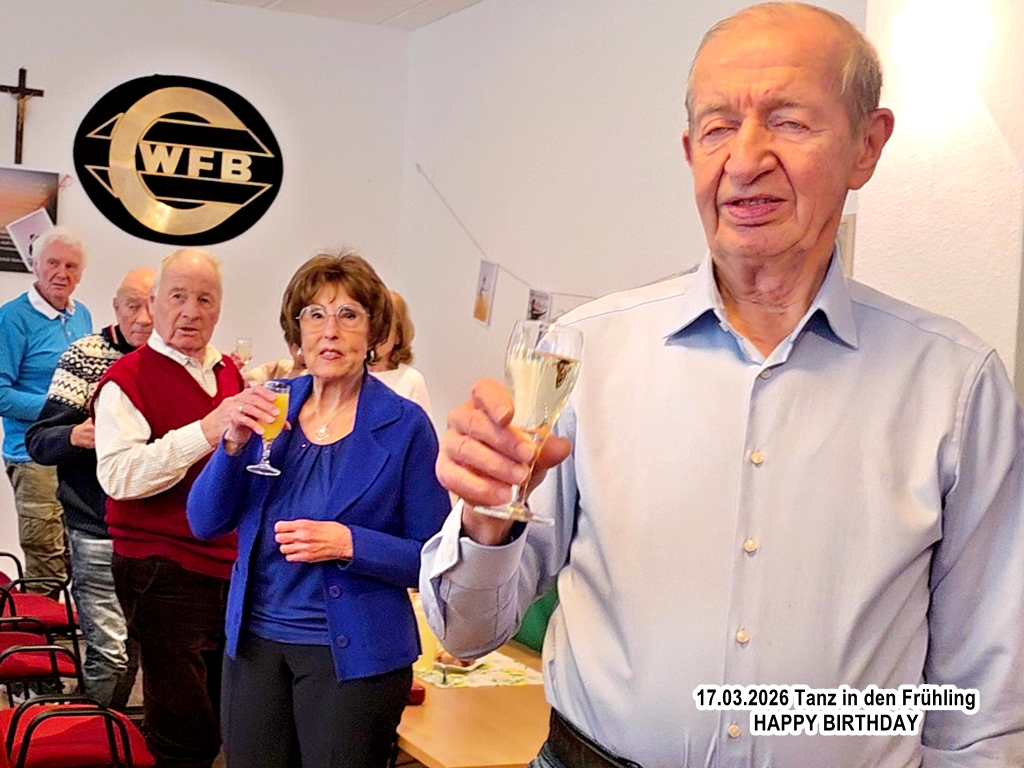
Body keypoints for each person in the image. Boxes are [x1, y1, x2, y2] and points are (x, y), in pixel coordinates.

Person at [420, 4, 1024, 768]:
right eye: (717, 128)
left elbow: (981, 703)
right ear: (690, 152)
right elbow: (467, 634)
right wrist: (483, 524)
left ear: (867, 146)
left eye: (789, 121)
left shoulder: (957, 387)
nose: (744, 159)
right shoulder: (584, 353)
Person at [187, 251, 449, 768]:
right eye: (315, 314)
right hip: (254, 647)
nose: (330, 330)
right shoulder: (269, 405)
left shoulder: (404, 425)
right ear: (298, 332)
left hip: (354, 660)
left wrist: (350, 543)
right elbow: (205, 521)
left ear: (374, 332)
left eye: (348, 314)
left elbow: (434, 556)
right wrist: (232, 445)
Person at [94, 248, 244, 768]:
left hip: (227, 567)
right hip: (160, 567)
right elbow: (119, 477)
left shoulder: (229, 373)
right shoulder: (127, 378)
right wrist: (205, 431)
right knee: (185, 731)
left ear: (219, 309)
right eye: (178, 297)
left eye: (205, 299)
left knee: (225, 718)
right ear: (153, 304)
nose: (190, 311)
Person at [25, 267, 155, 709]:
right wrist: (76, 435)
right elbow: (40, 441)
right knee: (113, 655)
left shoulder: (177, 360)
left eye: (152, 305)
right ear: (116, 307)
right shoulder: (86, 355)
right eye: (133, 305)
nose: (143, 317)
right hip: (97, 530)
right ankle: (93, 733)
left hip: (158, 534)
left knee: (142, 652)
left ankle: (115, 732)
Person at [0, 226, 93, 592]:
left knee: (77, 557)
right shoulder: (12, 318)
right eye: (53, 263)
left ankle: (66, 629)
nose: (61, 273)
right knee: (46, 564)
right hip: (31, 456)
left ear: (80, 274)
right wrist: (62, 408)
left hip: (75, 453)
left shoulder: (82, 314)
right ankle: (35, 630)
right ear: (35, 265)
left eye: (71, 266)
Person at [369, 290, 432, 415]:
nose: (375, 336)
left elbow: (422, 426)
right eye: (370, 327)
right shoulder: (347, 376)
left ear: (398, 335)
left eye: (384, 329)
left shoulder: (411, 381)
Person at [242, 342, 306, 385]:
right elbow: (254, 375)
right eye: (299, 347)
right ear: (290, 347)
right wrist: (237, 370)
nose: (302, 353)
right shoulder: (282, 366)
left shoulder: (310, 374)